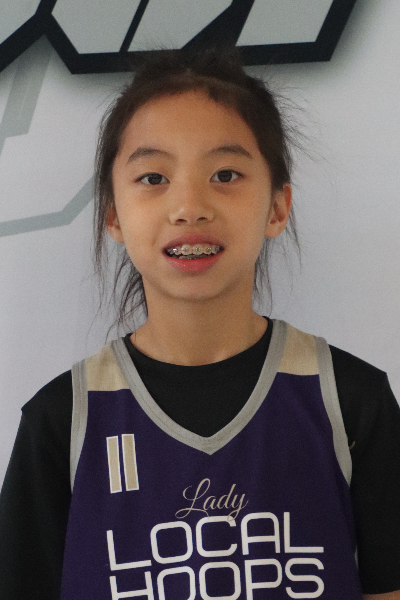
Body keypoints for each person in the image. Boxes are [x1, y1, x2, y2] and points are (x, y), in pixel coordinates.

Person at [0, 45, 399, 600]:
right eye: (153, 177)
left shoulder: (350, 401)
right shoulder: (62, 422)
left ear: (277, 207)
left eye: (225, 174)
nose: (189, 206)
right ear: (113, 215)